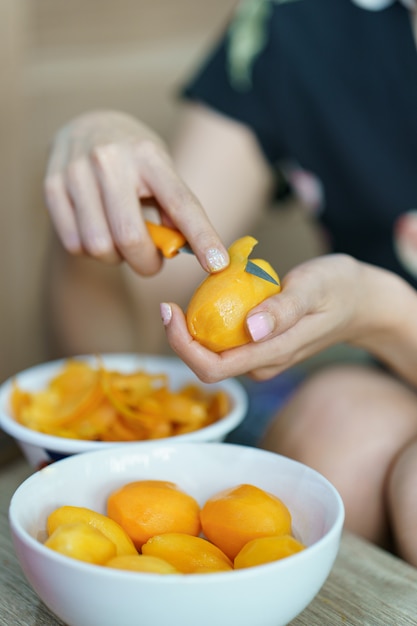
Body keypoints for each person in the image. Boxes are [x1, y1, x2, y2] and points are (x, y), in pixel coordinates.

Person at [43, 0, 417, 566]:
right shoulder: (299, 26)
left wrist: (383, 312)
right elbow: (124, 337)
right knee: (339, 431)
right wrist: (101, 192)